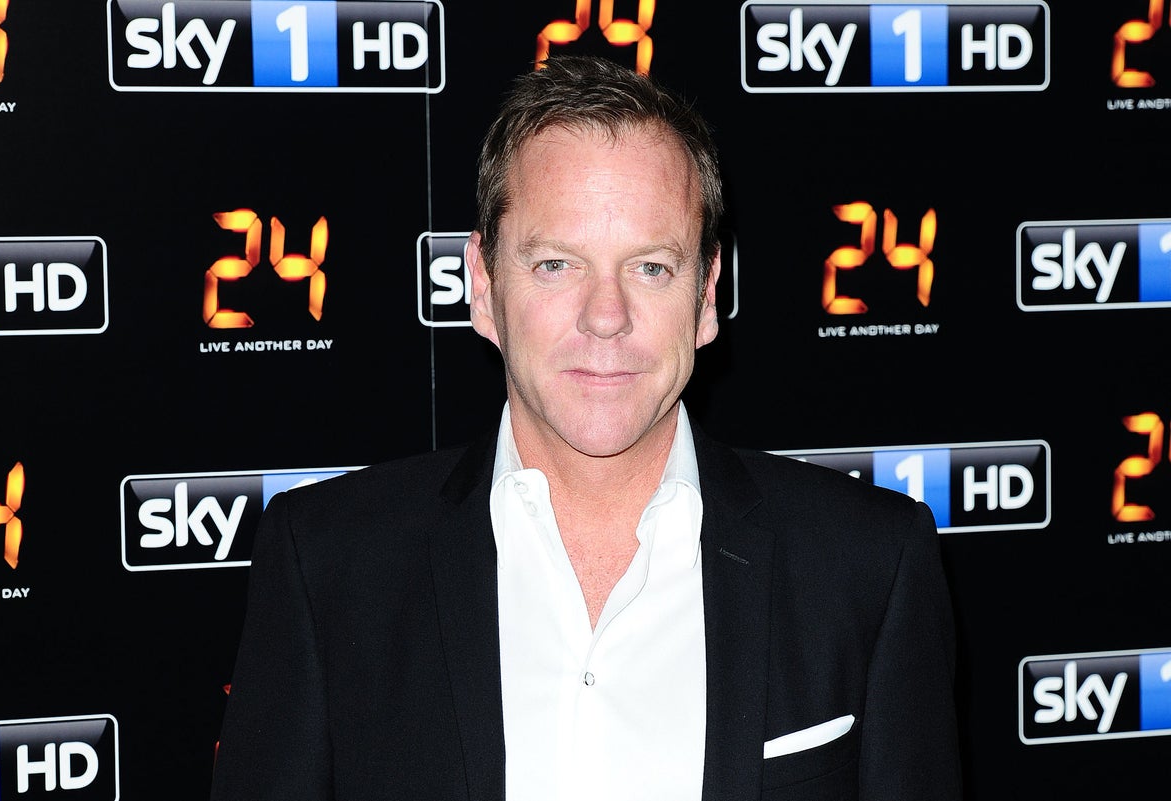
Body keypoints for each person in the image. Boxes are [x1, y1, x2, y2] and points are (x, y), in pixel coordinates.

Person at [210, 54, 962, 801]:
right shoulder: (327, 565)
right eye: (557, 265)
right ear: (483, 285)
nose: (607, 317)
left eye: (651, 268)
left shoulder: (869, 565)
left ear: (707, 295)